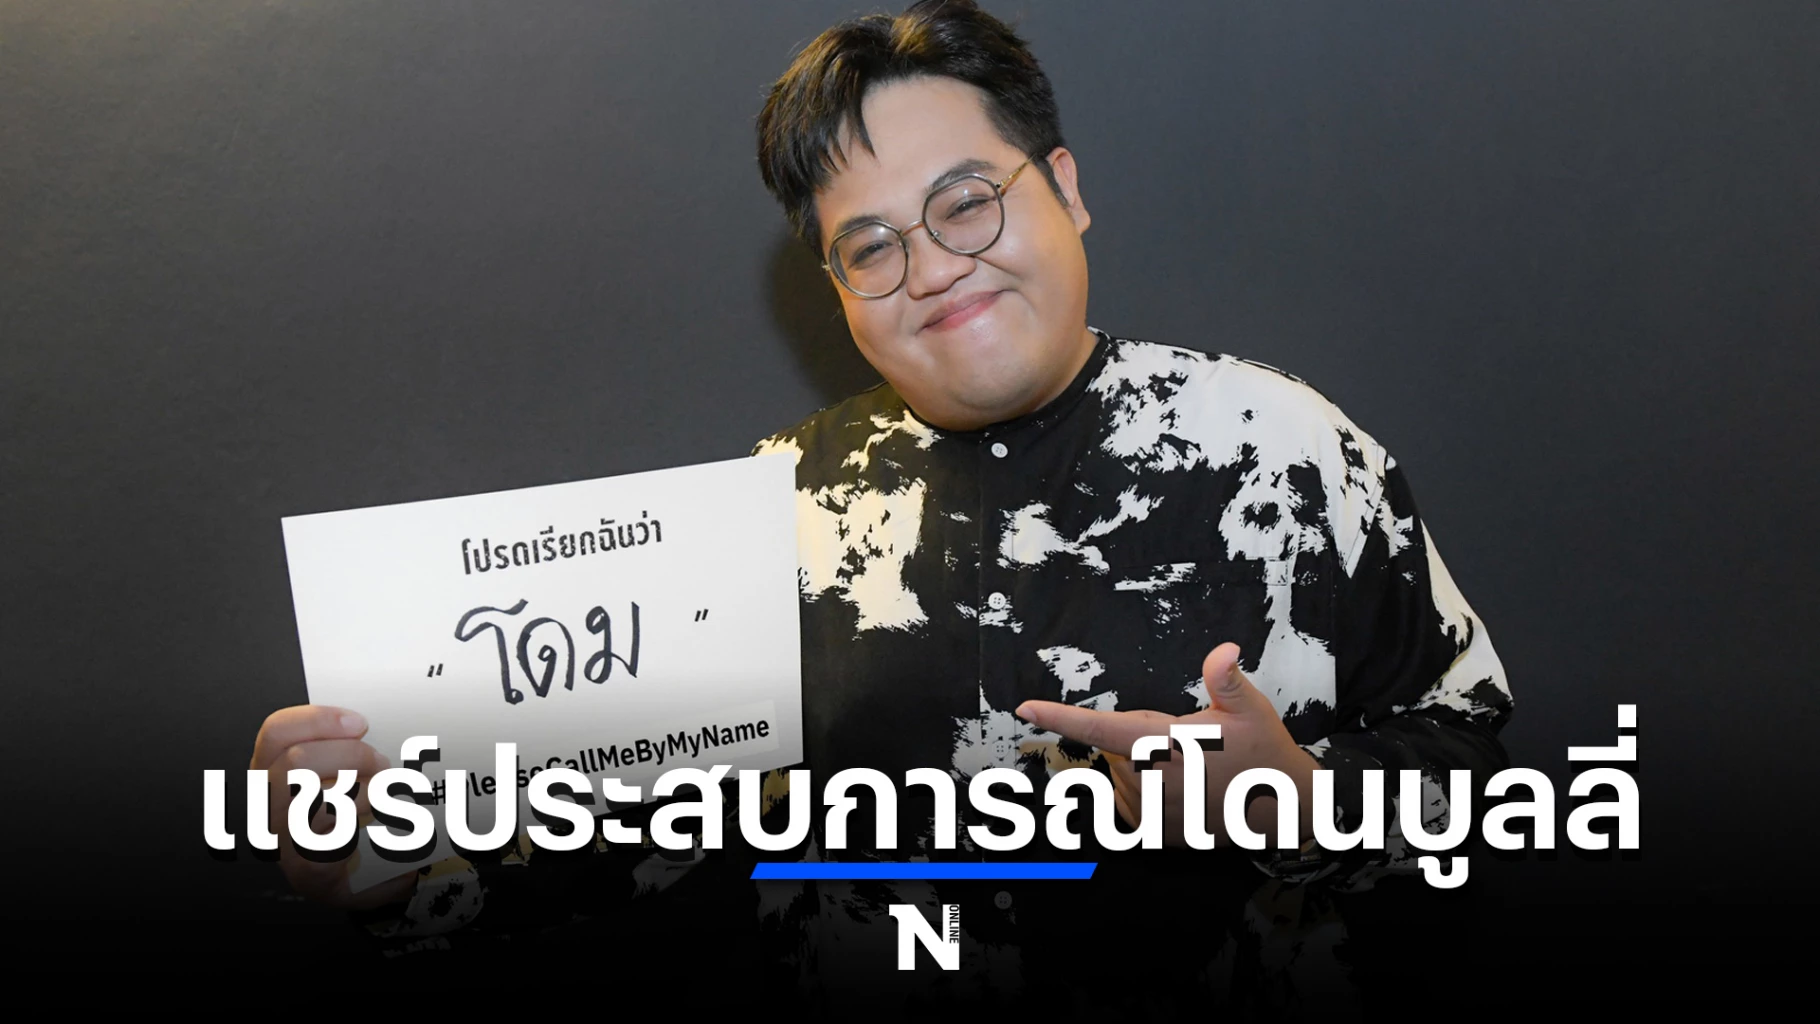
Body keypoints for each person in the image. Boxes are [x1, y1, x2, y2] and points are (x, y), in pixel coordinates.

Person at [252, 0, 1511, 1012]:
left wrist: (1298, 797)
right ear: (837, 288)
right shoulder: (770, 517)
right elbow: (625, 832)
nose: (934, 268)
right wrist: (373, 863)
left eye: (966, 202)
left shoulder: (1285, 447)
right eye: (870, 245)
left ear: (1064, 189)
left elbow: (1477, 759)